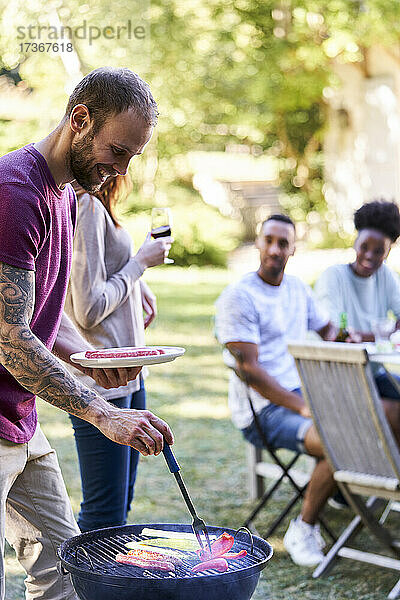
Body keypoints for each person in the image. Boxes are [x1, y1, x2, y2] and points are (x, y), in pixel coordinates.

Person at [0, 67, 174, 600]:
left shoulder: (65, 194)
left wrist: (93, 361)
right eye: (116, 151)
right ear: (79, 120)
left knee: (64, 573)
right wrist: (105, 413)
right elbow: (11, 340)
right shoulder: (16, 195)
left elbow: (39, 319)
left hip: (18, 419)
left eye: (131, 156)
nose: (119, 168)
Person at [215, 214, 337, 567]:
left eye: (283, 242)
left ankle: (343, 491)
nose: (274, 248)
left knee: (376, 413)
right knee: (338, 440)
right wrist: (302, 407)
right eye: (268, 240)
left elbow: (329, 331)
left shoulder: (297, 288)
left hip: (303, 395)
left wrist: (363, 338)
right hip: (262, 411)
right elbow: (249, 370)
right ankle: (304, 526)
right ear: (258, 243)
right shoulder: (238, 296)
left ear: (293, 249)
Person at [64, 174, 171, 532]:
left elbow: (104, 275)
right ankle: (82, 587)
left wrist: (138, 285)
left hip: (128, 376)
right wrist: (139, 263)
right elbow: (88, 308)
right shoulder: (87, 206)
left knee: (119, 505)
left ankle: (104, 586)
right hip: (102, 381)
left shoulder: (98, 206)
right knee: (104, 512)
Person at [315, 199, 400, 446]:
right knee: (395, 412)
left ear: (389, 250)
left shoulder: (386, 276)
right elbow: (336, 335)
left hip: (374, 372)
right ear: (355, 241)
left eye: (379, 251)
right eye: (364, 246)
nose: (369, 256)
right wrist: (384, 334)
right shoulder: (334, 277)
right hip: (340, 377)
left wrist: (364, 336)